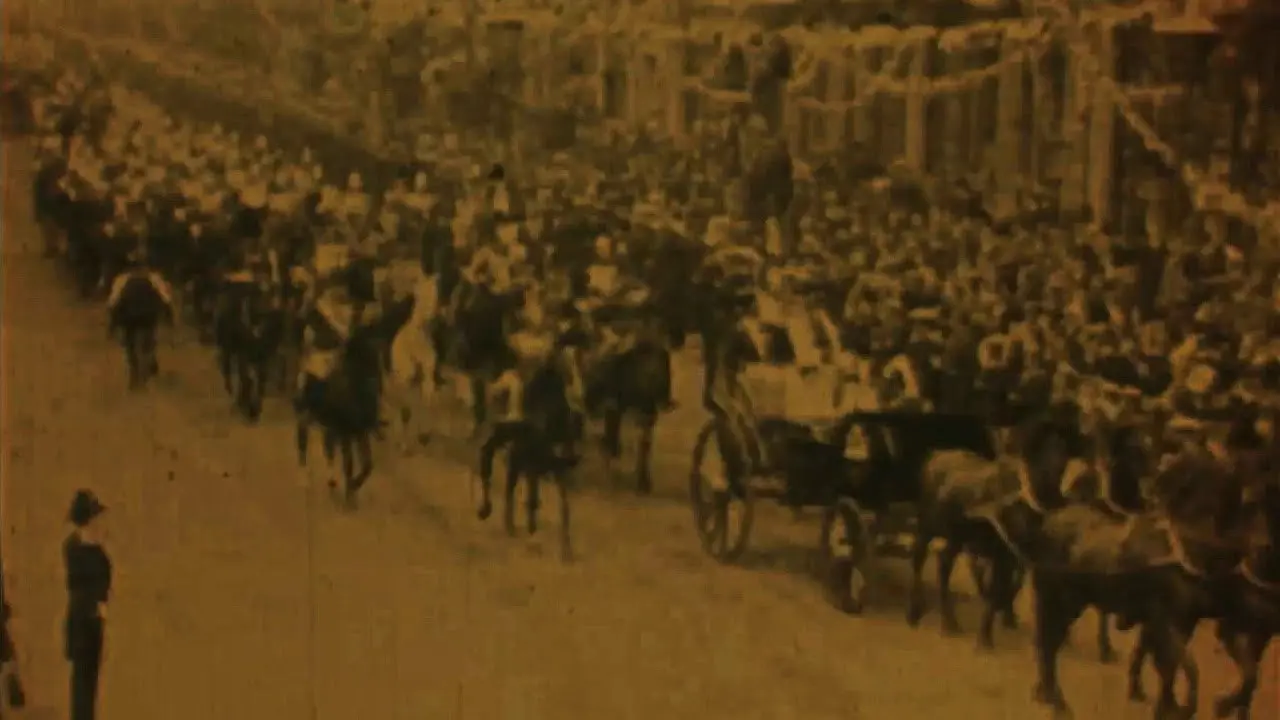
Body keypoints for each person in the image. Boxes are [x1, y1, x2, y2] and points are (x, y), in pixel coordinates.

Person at [63, 489, 111, 720]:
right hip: (83, 621)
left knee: (88, 681)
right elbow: (83, 584)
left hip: (90, 621)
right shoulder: (78, 548)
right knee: (82, 682)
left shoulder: (87, 547)